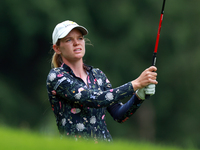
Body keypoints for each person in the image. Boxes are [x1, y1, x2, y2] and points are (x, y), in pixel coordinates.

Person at [46, 20, 158, 142]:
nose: (76, 43)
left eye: (80, 38)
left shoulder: (98, 75)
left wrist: (138, 96)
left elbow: (119, 114)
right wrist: (135, 84)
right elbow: (93, 99)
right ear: (57, 48)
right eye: (69, 40)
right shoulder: (57, 76)